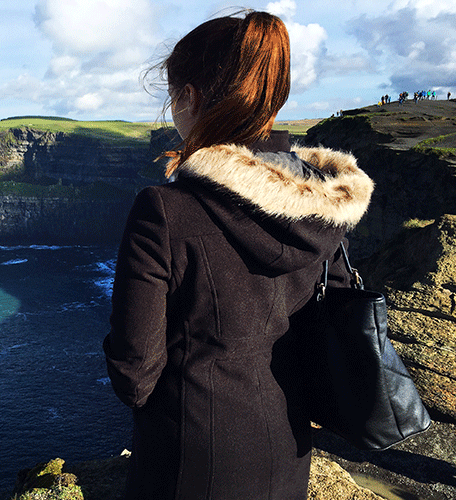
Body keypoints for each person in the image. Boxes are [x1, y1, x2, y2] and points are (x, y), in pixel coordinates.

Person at [103, 10, 374, 500]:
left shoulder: (165, 210)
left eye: (172, 96)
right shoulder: (324, 203)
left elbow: (135, 373)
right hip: (288, 446)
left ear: (190, 97)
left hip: (189, 458)